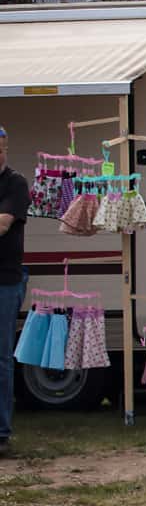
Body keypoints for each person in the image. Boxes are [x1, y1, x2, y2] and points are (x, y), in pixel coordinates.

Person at [0, 126, 29, 457]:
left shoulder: (15, 183)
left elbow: (3, 224)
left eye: (2, 148)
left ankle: (2, 433)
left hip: (5, 281)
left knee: (1, 357)